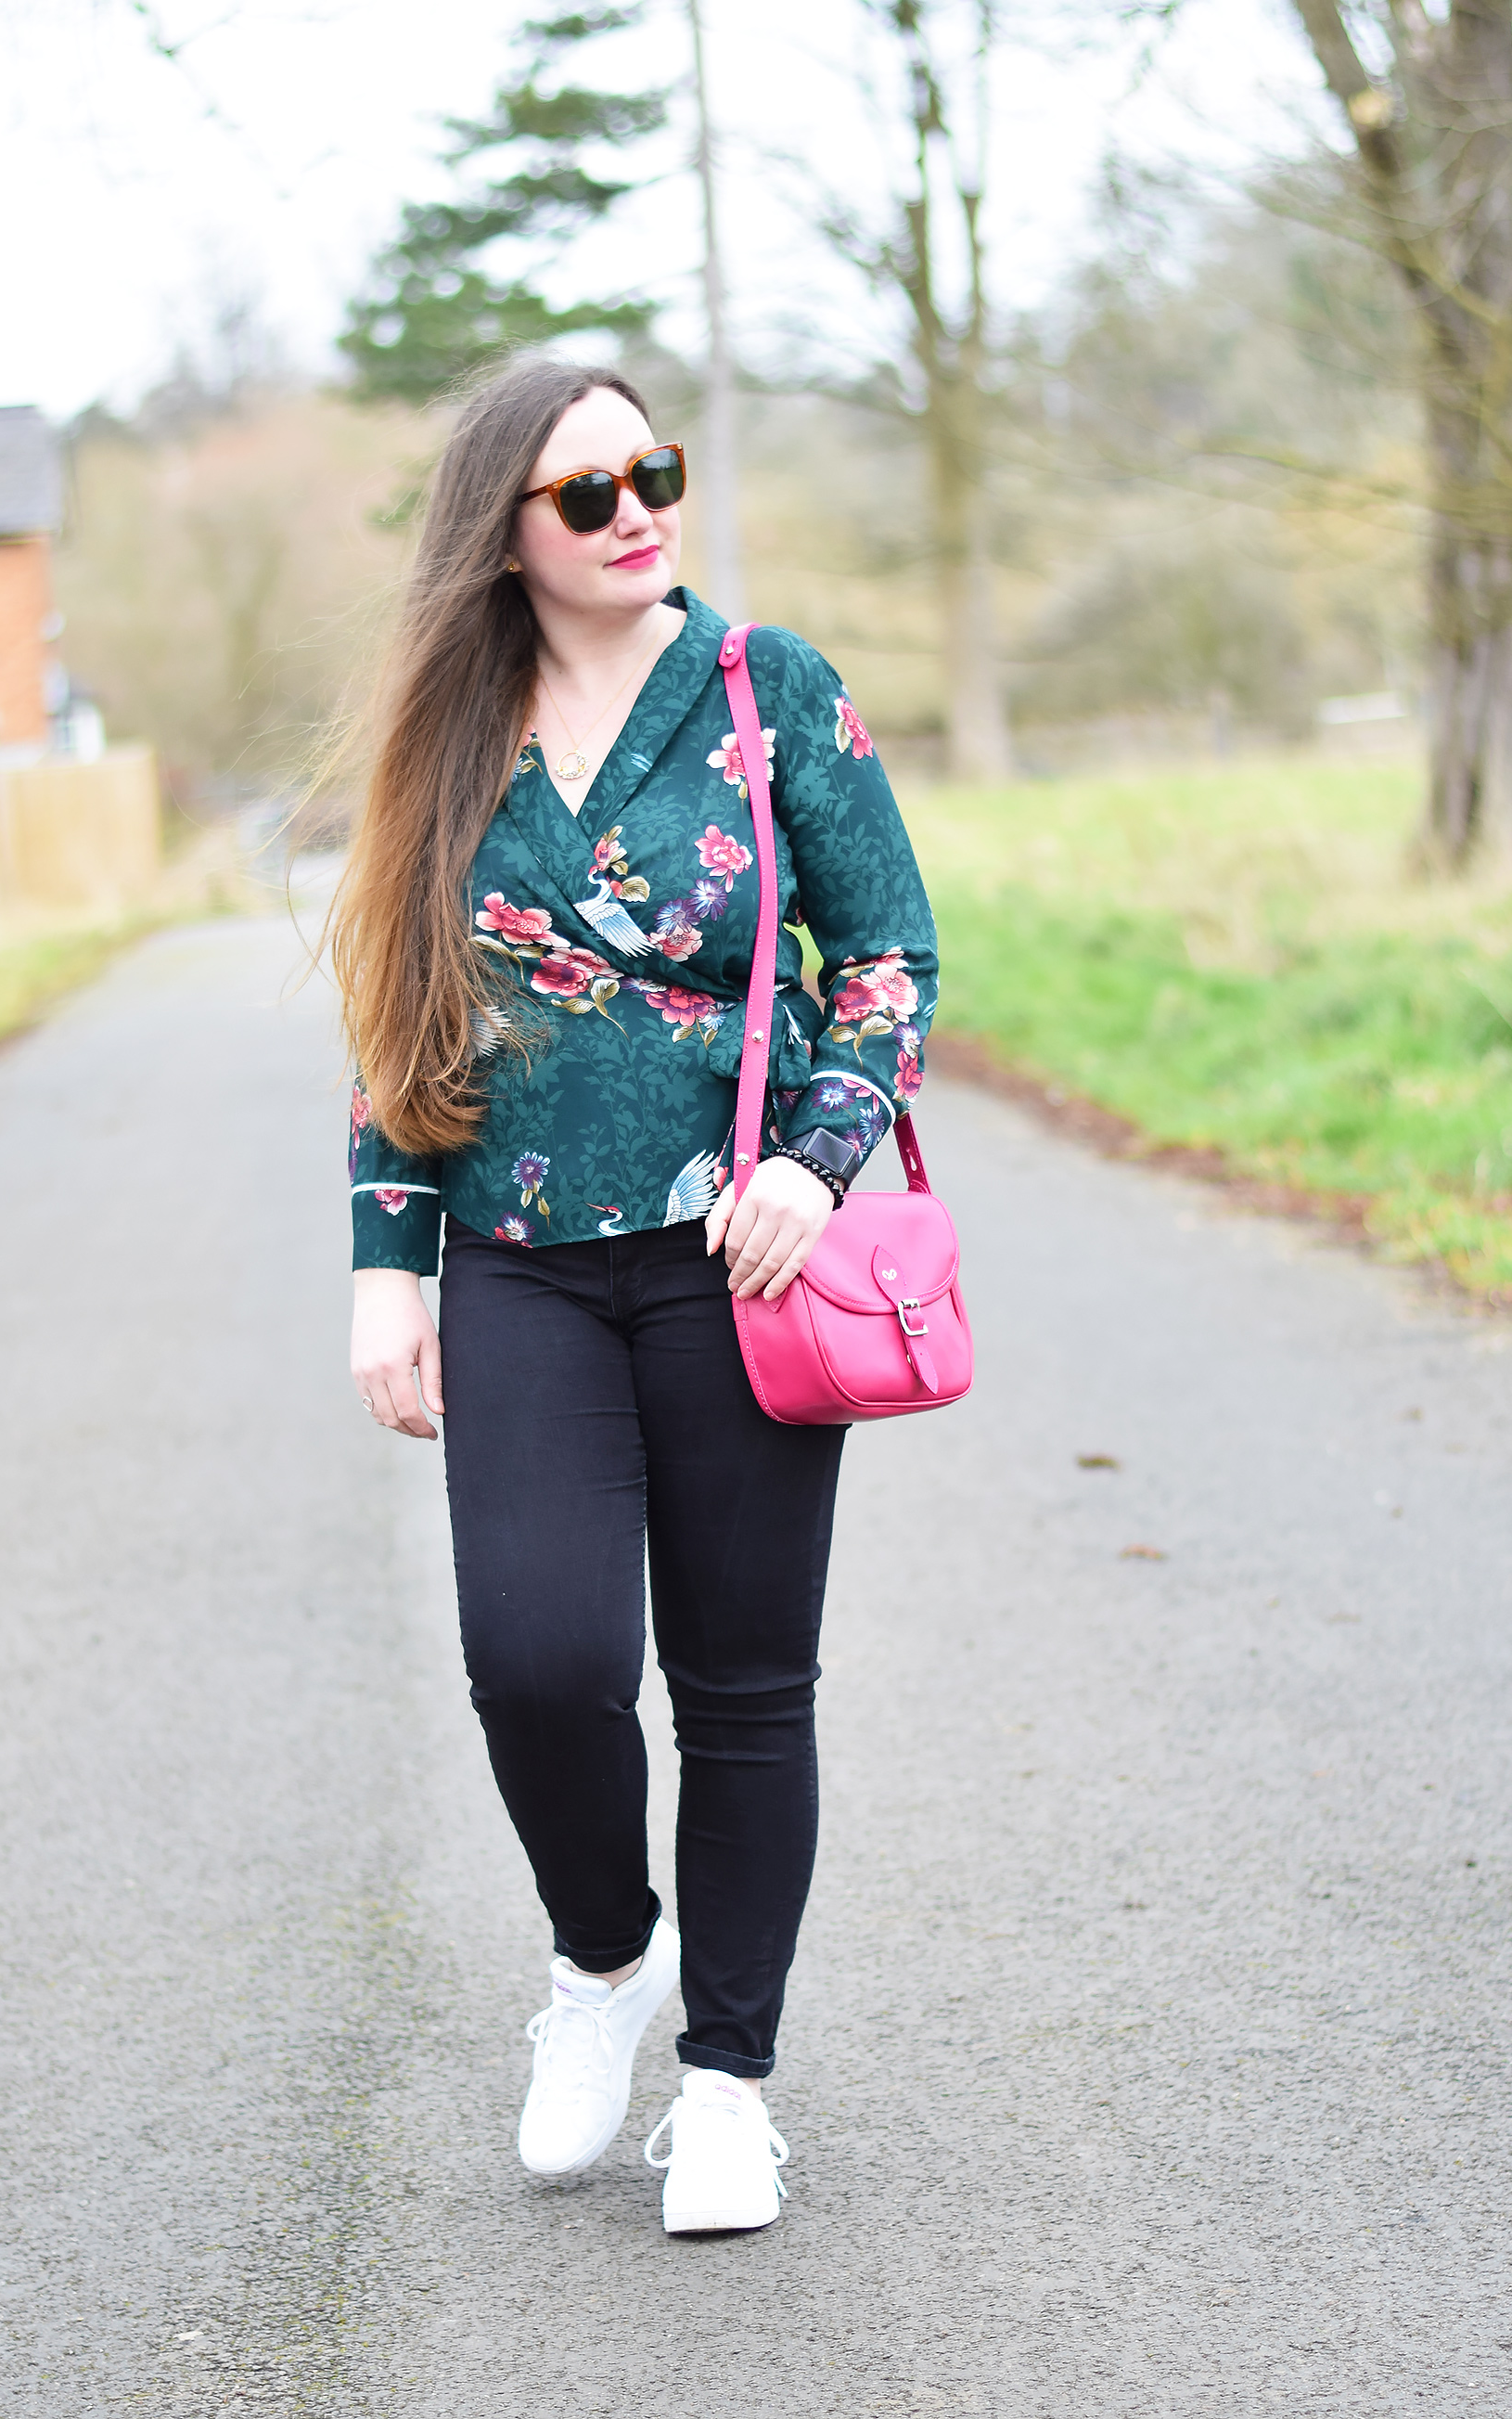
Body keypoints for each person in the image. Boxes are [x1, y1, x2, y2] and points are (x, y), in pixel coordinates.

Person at [333, 357, 937, 2234]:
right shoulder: (455, 730)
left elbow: (891, 951)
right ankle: (605, 1958)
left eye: (649, 472)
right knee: (539, 1660)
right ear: (502, 531)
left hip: (739, 1266)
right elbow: (396, 1011)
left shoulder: (771, 693)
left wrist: (810, 1157)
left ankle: (732, 2081)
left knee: (746, 1687)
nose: (635, 511)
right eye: (585, 492)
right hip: (517, 1261)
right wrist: (385, 1267)